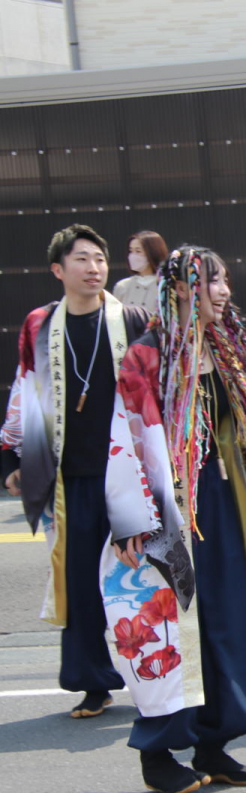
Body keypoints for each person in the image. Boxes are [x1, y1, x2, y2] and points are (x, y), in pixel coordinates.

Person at [108, 245, 246, 793]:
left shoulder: (229, 350)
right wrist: (132, 521)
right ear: (178, 289)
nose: (222, 291)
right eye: (209, 281)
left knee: (230, 626)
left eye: (224, 280)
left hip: (228, 507)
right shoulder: (146, 357)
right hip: (169, 512)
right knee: (172, 632)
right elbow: (124, 439)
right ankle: (156, 755)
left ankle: (215, 744)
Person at [1, 224, 150, 720]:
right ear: (58, 270)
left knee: (145, 579)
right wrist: (12, 456)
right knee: (82, 582)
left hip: (129, 473)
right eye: (82, 259)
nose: (94, 268)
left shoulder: (131, 318)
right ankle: (93, 682)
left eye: (100, 259)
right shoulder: (40, 325)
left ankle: (157, 676)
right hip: (71, 476)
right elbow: (27, 391)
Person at [114, 230, 168, 314]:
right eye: (131, 251)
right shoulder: (122, 286)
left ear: (153, 253)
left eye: (138, 251)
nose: (132, 256)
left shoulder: (166, 286)